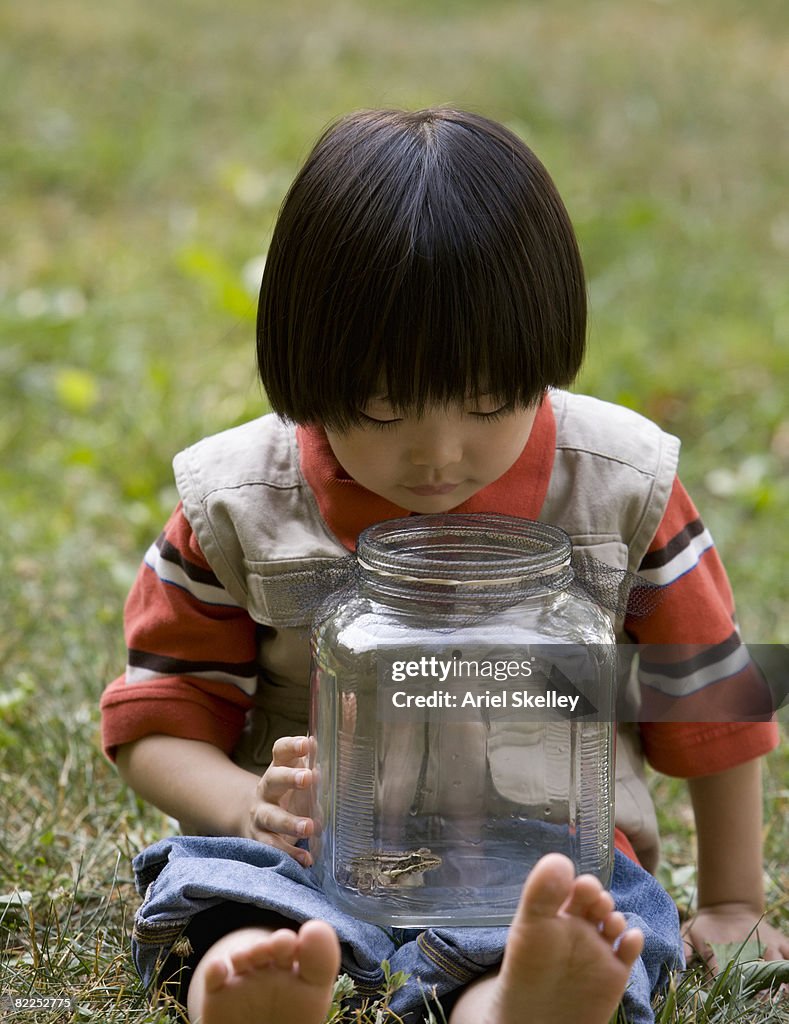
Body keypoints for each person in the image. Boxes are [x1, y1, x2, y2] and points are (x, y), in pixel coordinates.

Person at [100, 108, 786, 1024]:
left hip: (546, 860)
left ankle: (513, 1003)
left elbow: (711, 709)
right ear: (306, 366)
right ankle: (258, 983)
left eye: (490, 402)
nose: (440, 456)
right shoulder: (237, 504)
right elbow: (158, 720)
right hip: (308, 855)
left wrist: (734, 901)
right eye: (384, 410)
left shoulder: (620, 492)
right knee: (236, 899)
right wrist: (242, 806)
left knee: (593, 919)